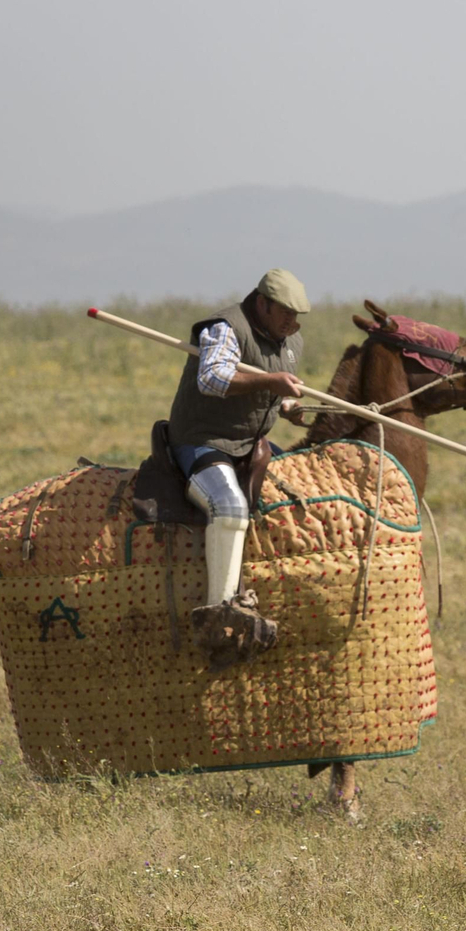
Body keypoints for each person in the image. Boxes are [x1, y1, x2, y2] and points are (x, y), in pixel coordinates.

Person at [166, 268, 311, 663]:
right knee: (228, 506)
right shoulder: (226, 328)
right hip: (204, 440)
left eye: (297, 315)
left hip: (252, 444)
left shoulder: (291, 341)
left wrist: (288, 407)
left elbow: (275, 392)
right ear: (262, 304)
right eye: (286, 313)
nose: (292, 322)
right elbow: (212, 379)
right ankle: (222, 613)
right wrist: (270, 382)